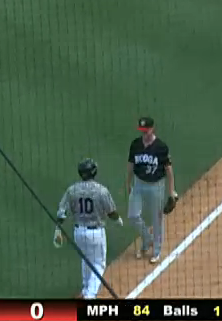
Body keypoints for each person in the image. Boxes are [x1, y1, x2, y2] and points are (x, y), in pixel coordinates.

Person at [54, 158, 124, 299]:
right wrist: (118, 220)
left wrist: (57, 229)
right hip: (96, 233)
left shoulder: (72, 190)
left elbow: (62, 212)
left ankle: (86, 290)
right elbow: (111, 212)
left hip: (78, 232)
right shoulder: (101, 190)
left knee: (85, 260)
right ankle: (90, 296)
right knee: (99, 264)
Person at [126, 116, 177, 264]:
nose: (144, 134)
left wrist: (171, 192)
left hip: (156, 186)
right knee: (133, 216)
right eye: (142, 131)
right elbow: (130, 165)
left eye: (146, 130)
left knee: (157, 219)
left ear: (152, 129)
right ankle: (147, 240)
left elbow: (169, 171)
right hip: (139, 183)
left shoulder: (161, 147)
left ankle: (156, 251)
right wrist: (128, 183)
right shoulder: (135, 144)